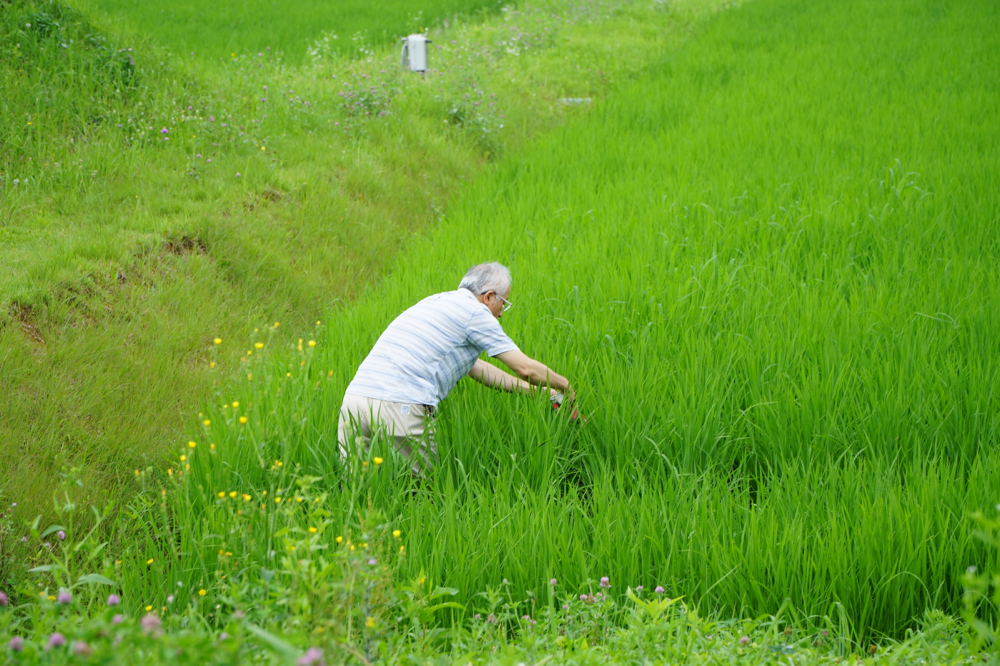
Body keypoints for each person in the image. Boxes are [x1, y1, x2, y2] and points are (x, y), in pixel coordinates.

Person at [337, 262, 575, 474]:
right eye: (504, 302)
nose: (502, 312)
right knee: (422, 493)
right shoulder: (476, 312)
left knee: (356, 491)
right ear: (489, 296)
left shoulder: (435, 302)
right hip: (402, 403)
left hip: (355, 402)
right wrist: (565, 385)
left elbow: (476, 368)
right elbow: (525, 368)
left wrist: (537, 392)